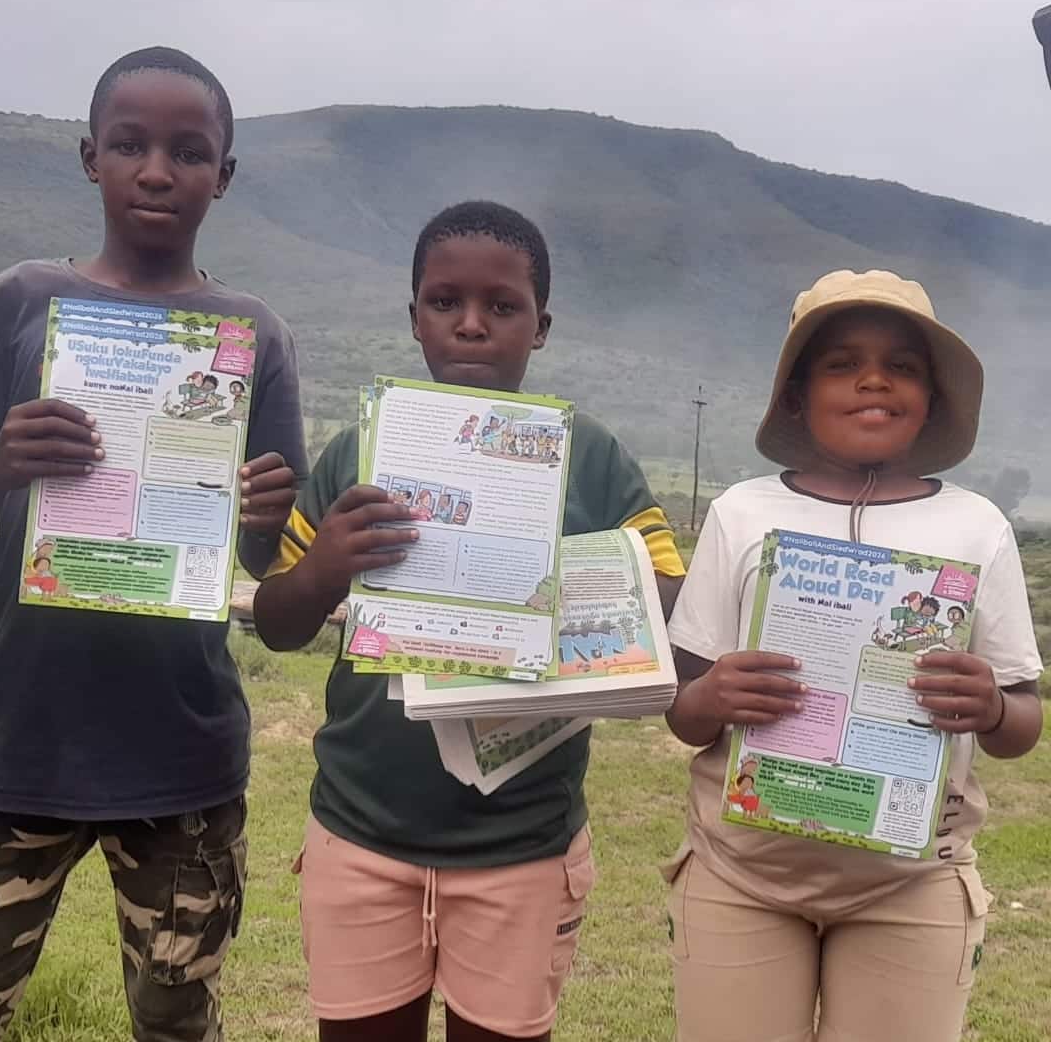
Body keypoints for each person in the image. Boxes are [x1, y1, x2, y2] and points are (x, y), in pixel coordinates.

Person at [0, 47, 306, 1042]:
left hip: (182, 755)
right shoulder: (16, 302)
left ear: (223, 174)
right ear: (91, 157)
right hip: (18, 736)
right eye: (130, 145)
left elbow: (269, 566)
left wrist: (263, 522)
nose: (156, 171)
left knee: (177, 1021)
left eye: (187, 152)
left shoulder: (252, 335)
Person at [253, 201, 685, 1042]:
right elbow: (276, 623)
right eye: (445, 302)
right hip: (361, 829)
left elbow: (667, 594)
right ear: (414, 316)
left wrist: (557, 589)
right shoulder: (358, 453)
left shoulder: (589, 456)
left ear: (541, 327)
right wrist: (326, 563)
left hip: (521, 843)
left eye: (503, 306)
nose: (472, 325)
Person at [662, 269, 1044, 1042]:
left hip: (914, 884)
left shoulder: (977, 527)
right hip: (743, 875)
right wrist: (714, 695)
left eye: (902, 366)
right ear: (797, 395)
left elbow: (1023, 722)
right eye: (842, 364)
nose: (874, 380)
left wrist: (992, 707)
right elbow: (684, 711)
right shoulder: (743, 513)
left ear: (932, 397)